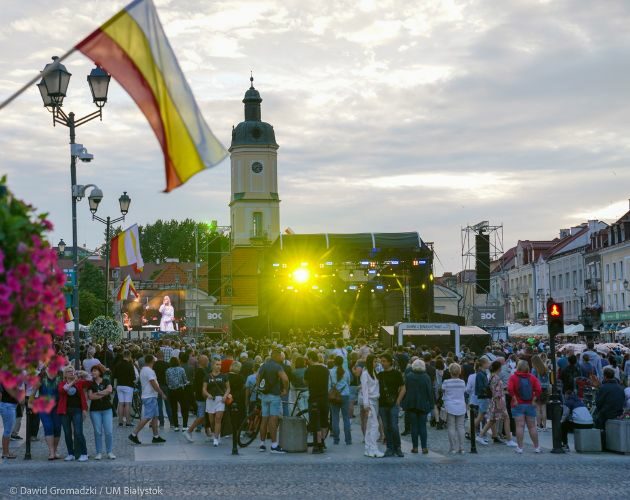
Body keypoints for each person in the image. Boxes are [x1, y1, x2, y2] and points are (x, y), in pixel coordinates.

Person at [128, 355, 167, 445]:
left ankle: (156, 436)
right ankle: (134, 434)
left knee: (155, 416)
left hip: (150, 395)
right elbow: (153, 383)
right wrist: (162, 393)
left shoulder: (143, 370)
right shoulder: (149, 371)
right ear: (152, 361)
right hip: (150, 396)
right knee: (148, 416)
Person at [256, 349, 289, 453]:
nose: (281, 358)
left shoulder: (264, 365)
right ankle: (274, 445)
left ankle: (262, 444)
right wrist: (285, 389)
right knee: (273, 419)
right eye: (280, 356)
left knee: (264, 419)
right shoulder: (277, 366)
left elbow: (258, 377)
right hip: (274, 395)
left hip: (264, 396)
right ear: (277, 356)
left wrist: (259, 388)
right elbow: (285, 379)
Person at [478, 361, 517, 447]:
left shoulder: (493, 376)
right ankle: (509, 440)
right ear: (499, 368)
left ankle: (481, 436)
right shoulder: (496, 378)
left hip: (497, 401)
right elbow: (496, 392)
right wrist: (498, 403)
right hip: (498, 402)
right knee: (504, 418)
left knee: (493, 420)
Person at [507, 360, 542, 454]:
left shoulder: (513, 377)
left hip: (517, 404)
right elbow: (538, 389)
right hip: (530, 404)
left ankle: (520, 447)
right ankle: (537, 447)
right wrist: (534, 399)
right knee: (532, 426)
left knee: (519, 426)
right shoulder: (532, 377)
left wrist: (514, 398)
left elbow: (510, 389)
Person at [57, 366, 91, 462]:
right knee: (67, 433)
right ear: (65, 374)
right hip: (65, 411)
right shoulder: (62, 384)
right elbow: (63, 390)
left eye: (72, 371)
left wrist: (83, 373)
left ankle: (84, 453)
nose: (71, 372)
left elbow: (90, 380)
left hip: (77, 410)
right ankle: (70, 453)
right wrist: (73, 382)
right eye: (68, 371)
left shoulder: (80, 383)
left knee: (78, 432)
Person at [401, 359, 434, 454]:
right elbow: (429, 392)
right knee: (423, 426)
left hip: (411, 404)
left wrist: (403, 403)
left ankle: (415, 447)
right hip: (423, 404)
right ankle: (424, 447)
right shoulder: (426, 377)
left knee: (414, 426)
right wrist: (432, 404)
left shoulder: (409, 376)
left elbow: (405, 390)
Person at [31, 364, 63, 460]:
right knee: (48, 426)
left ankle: (55, 450)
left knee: (57, 428)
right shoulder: (41, 378)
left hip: (57, 407)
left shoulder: (60, 378)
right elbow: (33, 392)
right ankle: (51, 452)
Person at [377, 353, 405, 457]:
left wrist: (398, 400)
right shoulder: (380, 375)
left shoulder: (396, 374)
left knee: (394, 426)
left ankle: (398, 447)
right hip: (382, 404)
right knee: (386, 426)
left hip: (393, 404)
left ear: (389, 362)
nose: (382, 363)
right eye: (381, 361)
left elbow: (403, 387)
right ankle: (389, 447)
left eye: (384, 361)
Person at [87, 364, 115, 460]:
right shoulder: (91, 384)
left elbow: (110, 390)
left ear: (100, 372)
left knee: (109, 431)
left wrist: (98, 393)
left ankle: (109, 451)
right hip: (95, 410)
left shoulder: (106, 380)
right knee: (97, 432)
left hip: (107, 409)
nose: (93, 372)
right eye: (92, 371)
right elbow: (90, 396)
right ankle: (99, 452)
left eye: (95, 370)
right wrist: (104, 393)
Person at [304, 350, 330, 454]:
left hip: (314, 398)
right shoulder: (325, 369)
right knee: (324, 421)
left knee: (315, 421)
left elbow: (305, 382)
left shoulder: (309, 370)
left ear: (310, 358)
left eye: (307, 359)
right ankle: (323, 441)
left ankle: (317, 445)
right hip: (324, 398)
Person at [204, 359, 231, 447]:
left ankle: (216, 438)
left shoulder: (224, 376)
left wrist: (225, 396)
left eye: (220, 365)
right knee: (212, 421)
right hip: (210, 400)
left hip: (220, 399)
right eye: (217, 364)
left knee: (218, 419)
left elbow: (228, 388)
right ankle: (215, 432)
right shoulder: (207, 376)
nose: (219, 366)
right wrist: (208, 394)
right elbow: (204, 389)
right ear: (212, 366)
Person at [441, 363, 467, 454]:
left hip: (450, 406)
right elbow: (464, 392)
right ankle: (462, 447)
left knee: (451, 427)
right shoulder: (462, 382)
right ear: (459, 372)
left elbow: (443, 392)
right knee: (461, 427)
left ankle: (452, 448)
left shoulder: (446, 382)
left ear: (450, 372)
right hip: (461, 405)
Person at [361, 354, 383, 458]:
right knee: (375, 425)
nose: (376, 363)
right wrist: (366, 404)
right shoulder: (365, 374)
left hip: (375, 401)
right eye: (374, 362)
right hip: (370, 402)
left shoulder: (374, 372)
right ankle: (373, 448)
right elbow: (364, 389)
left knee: (370, 426)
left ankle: (368, 448)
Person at [184, 355, 210, 441]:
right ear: (202, 361)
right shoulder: (201, 372)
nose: (208, 362)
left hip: (201, 396)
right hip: (202, 397)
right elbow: (200, 386)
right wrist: (204, 395)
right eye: (206, 360)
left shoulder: (200, 371)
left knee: (205, 415)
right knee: (201, 416)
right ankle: (189, 431)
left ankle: (208, 432)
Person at [329, 356, 352, 446]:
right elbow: (348, 382)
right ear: (342, 362)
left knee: (335, 418)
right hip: (345, 395)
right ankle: (348, 440)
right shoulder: (346, 371)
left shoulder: (330, 372)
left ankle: (336, 439)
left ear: (334, 362)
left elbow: (329, 384)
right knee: (346, 418)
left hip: (334, 396)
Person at [593, 367, 625, 432]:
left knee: (594, 418)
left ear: (605, 376)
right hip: (619, 413)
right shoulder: (621, 388)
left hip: (607, 414)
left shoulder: (603, 387)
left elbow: (598, 403)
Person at [112, 350, 136, 427]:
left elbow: (114, 376)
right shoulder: (130, 365)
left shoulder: (118, 364)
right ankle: (128, 422)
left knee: (121, 403)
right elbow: (133, 377)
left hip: (119, 386)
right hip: (128, 386)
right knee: (127, 404)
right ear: (129, 356)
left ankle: (120, 421)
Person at [165, 357, 190, 432]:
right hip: (180, 390)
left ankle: (176, 426)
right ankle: (184, 426)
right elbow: (185, 380)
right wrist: (186, 383)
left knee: (173, 408)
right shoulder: (181, 369)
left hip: (171, 391)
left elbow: (167, 381)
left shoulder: (168, 370)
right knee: (184, 407)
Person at [0, 383, 23, 459]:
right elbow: (12, 392)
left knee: (8, 430)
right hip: (8, 406)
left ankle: (5, 452)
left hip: (9, 406)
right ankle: (5, 453)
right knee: (8, 430)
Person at [474, 357, 491, 443]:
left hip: (483, 397)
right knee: (481, 416)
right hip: (483, 397)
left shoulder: (482, 373)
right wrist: (488, 391)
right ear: (483, 364)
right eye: (488, 363)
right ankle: (472, 432)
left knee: (481, 416)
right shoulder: (480, 374)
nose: (489, 364)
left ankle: (473, 432)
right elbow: (481, 387)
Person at [531, 354, 550, 431]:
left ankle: (539, 426)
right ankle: (545, 426)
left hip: (537, 390)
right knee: (544, 408)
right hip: (545, 389)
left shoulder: (534, 369)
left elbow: (532, 381)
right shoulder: (545, 368)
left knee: (538, 409)